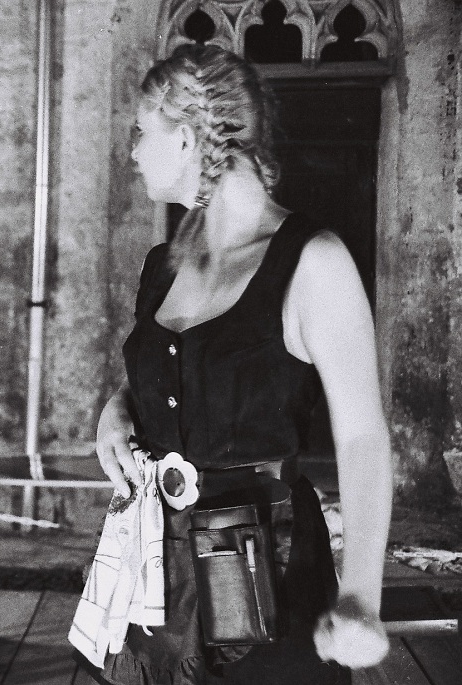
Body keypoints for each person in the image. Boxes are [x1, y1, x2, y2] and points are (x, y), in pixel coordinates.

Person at [82, 44, 393, 683]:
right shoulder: (163, 266)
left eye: (141, 132)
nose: (133, 151)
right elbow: (171, 376)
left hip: (266, 574)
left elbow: (363, 437)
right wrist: (118, 408)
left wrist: (362, 596)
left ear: (187, 138)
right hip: (154, 577)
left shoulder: (314, 262)